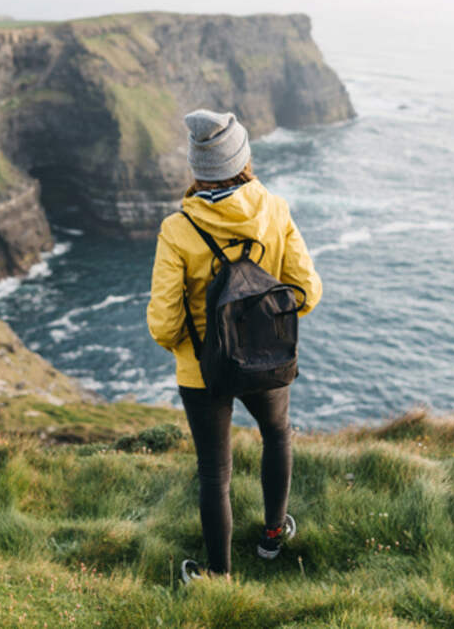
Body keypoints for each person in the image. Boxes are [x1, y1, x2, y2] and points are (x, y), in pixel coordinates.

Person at [147, 109, 323, 583]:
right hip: (266, 356)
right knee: (278, 434)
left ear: (196, 168)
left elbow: (164, 323)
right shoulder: (274, 208)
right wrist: (262, 326)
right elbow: (307, 291)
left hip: (202, 370)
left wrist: (197, 348)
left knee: (214, 475)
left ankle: (219, 578)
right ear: (243, 157)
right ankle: (272, 537)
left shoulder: (178, 229)